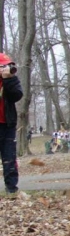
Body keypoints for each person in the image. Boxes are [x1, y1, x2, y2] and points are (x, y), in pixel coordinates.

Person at [0, 53, 23, 194]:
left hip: (7, 124)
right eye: (3, 66)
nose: (7, 69)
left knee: (9, 158)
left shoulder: (11, 80)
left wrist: (8, 79)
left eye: (8, 66)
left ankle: (11, 189)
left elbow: (17, 95)